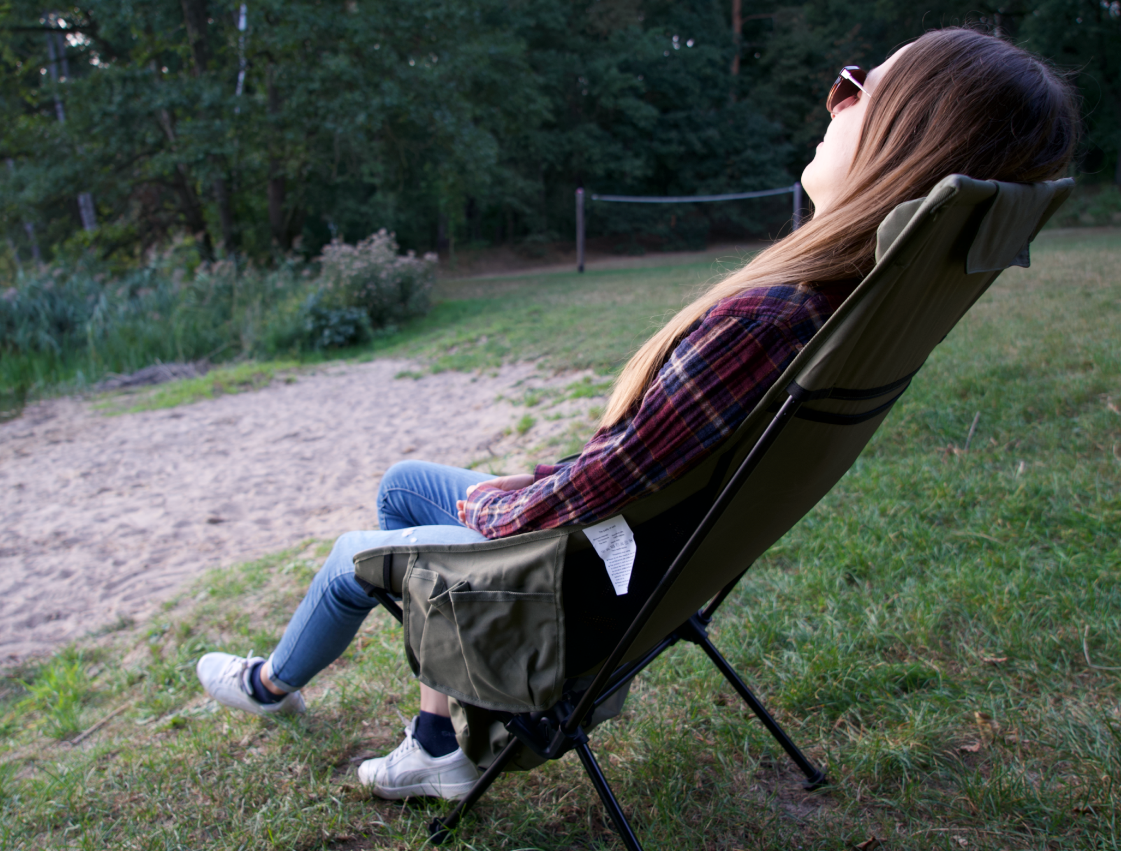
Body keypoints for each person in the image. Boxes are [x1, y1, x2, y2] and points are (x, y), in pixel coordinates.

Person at [197, 26, 1078, 801]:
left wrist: (497, 506)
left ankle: (271, 683)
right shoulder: (855, 312)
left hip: (577, 594)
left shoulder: (765, 323)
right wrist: (532, 484)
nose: (832, 97)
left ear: (904, 143)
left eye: (855, 87)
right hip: (645, 570)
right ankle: (436, 743)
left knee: (361, 549)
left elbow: (596, 490)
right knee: (404, 485)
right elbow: (628, 474)